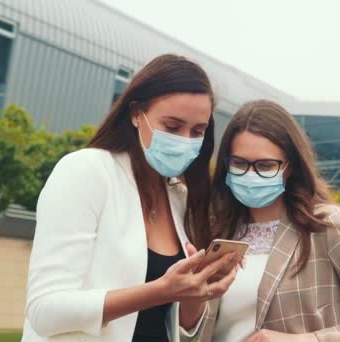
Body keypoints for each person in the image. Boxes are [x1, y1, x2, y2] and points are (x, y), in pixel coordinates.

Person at [22, 54, 238, 342]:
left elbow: (177, 324)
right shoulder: (86, 171)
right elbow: (44, 310)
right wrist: (160, 290)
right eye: (173, 127)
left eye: (197, 131)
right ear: (137, 113)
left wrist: (200, 288)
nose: (185, 140)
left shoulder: (179, 196)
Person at [201, 100, 340, 341]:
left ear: (290, 167)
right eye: (239, 163)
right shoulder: (215, 230)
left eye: (265, 165)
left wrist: (305, 340)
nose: (250, 174)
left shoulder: (326, 225)